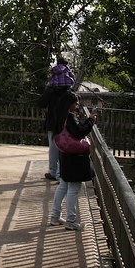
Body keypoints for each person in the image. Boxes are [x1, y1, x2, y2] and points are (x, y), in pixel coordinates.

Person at [49, 92, 96, 231]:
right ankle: (71, 220)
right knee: (74, 188)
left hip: (65, 154)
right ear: (69, 104)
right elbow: (79, 132)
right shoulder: (69, 117)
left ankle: (55, 216)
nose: (77, 107)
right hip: (74, 156)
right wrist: (90, 121)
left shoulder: (59, 116)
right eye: (75, 104)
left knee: (63, 184)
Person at [39, 57, 75, 182]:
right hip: (66, 121)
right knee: (64, 147)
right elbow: (74, 104)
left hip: (52, 121)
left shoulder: (51, 87)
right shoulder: (69, 86)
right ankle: (62, 174)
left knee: (53, 147)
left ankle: (53, 172)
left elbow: (42, 103)